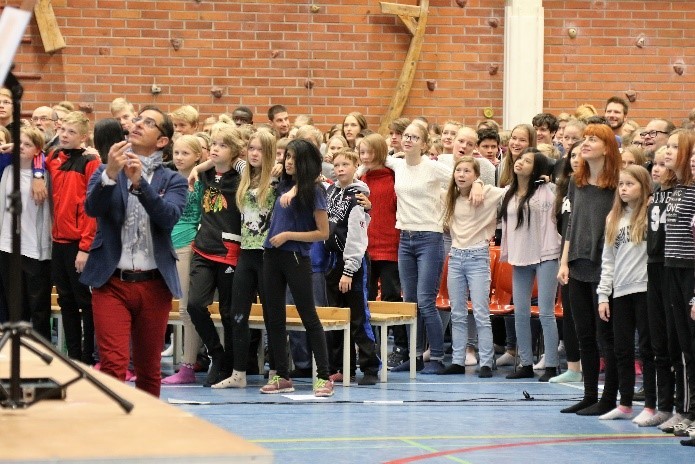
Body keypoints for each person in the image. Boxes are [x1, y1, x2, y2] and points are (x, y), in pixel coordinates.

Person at [80, 106, 187, 397]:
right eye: (137, 119)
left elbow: (167, 218)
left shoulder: (173, 180)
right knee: (113, 364)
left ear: (162, 141)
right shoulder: (105, 170)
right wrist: (110, 175)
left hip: (154, 285)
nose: (138, 124)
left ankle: (146, 424)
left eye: (149, 122)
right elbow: (92, 208)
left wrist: (140, 183)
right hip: (111, 281)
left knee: (149, 368)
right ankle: (113, 424)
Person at [260, 139, 333, 397]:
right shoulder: (283, 184)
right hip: (272, 255)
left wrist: (289, 235)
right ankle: (282, 375)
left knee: (308, 316)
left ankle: (323, 377)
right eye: (287, 156)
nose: (288, 161)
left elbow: (322, 233)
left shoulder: (315, 191)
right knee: (274, 317)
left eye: (293, 158)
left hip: (296, 257)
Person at [557, 123, 621, 416]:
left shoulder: (617, 184)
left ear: (607, 148)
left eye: (592, 139)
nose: (585, 143)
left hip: (604, 265)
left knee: (605, 336)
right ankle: (589, 395)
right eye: (585, 138)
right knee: (583, 334)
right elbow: (571, 223)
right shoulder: (576, 181)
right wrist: (564, 261)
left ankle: (608, 398)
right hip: (577, 263)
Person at [212, 129, 278, 389]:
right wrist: (197, 168)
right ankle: (238, 373)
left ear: (270, 153)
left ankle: (277, 371)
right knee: (237, 313)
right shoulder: (243, 173)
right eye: (251, 148)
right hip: (246, 253)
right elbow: (219, 160)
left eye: (260, 149)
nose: (254, 153)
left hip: (268, 255)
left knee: (272, 314)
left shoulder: (277, 179)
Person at [185, 125, 244, 387]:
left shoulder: (241, 176)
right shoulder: (205, 173)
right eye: (213, 144)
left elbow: (246, 165)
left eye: (222, 145)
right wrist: (200, 167)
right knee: (194, 304)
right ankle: (216, 353)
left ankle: (229, 364)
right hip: (203, 248)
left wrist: (229, 158)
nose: (215, 149)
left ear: (235, 151)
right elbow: (206, 164)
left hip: (229, 251)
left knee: (228, 312)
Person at [596, 165, 655, 421]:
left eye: (630, 184)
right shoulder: (613, 218)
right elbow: (608, 260)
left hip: (645, 290)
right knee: (622, 350)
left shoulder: (650, 215)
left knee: (647, 349)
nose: (623, 189)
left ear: (644, 187)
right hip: (620, 292)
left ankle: (651, 405)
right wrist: (603, 295)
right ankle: (625, 403)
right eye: (621, 184)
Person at [500, 148, 561, 382]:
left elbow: (560, 167)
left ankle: (551, 365)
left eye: (527, 161)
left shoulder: (548, 191)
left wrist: (548, 176)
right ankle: (525, 363)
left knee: (546, 312)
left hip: (546, 255)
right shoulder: (509, 192)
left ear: (537, 169)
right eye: (520, 159)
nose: (520, 163)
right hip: (520, 255)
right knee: (521, 312)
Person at [46, 111, 100, 365]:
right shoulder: (54, 157)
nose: (65, 136)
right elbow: (35, 158)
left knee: (85, 302)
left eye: (71, 132)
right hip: (58, 242)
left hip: (79, 244)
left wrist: (85, 247)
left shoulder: (90, 161)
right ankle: (73, 356)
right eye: (62, 130)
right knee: (65, 300)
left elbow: (92, 208)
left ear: (83, 137)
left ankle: (88, 356)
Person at [323, 148, 380, 385]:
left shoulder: (358, 196)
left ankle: (370, 367)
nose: (340, 169)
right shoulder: (330, 191)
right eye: (336, 165)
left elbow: (357, 236)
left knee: (358, 318)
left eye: (345, 164)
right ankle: (342, 367)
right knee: (337, 317)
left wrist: (349, 270)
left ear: (356, 166)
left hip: (353, 262)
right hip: (332, 260)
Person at [440, 156, 501, 378]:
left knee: (481, 313)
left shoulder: (488, 193)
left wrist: (480, 184)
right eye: (459, 170)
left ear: (476, 176)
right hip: (456, 257)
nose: (462, 175)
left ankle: (486, 362)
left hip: (478, 257)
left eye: (467, 171)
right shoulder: (449, 197)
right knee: (457, 313)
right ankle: (457, 360)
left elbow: (510, 191)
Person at [643, 147, 684, 427]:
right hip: (654, 265)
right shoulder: (655, 195)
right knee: (658, 340)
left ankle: (682, 407)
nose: (656, 169)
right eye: (654, 164)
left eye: (662, 164)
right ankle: (664, 405)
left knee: (674, 343)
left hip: (672, 266)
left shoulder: (679, 194)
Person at [358, 134, 406, 369]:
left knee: (391, 298)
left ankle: (400, 348)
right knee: (365, 299)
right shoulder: (361, 179)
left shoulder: (394, 178)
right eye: (362, 152)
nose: (365, 157)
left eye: (369, 152)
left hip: (390, 247)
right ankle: (370, 349)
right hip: (366, 249)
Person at [160, 135, 205, 385]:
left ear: (198, 156)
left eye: (185, 153)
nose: (179, 157)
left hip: (187, 244)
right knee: (156, 307)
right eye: (176, 152)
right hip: (163, 245)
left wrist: (200, 167)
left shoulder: (201, 181)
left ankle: (188, 366)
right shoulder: (167, 178)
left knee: (186, 309)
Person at [0, 126, 52, 340]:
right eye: (19, 142)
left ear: (38, 151)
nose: (21, 147)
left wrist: (38, 173)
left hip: (34, 249)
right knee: (13, 308)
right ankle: (16, 352)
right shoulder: (7, 171)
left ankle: (41, 354)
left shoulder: (45, 174)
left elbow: (52, 155)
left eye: (27, 144)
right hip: (7, 246)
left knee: (38, 309)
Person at [661, 129, 695, 436]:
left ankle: (690, 412)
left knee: (690, 345)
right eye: (667, 145)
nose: (668, 151)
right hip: (672, 268)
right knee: (680, 345)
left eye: (676, 147)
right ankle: (684, 409)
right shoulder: (677, 189)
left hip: (689, 271)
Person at [548, 141, 583, 383]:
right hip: (567, 255)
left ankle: (591, 366)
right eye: (573, 155)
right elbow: (565, 226)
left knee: (587, 316)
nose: (576, 159)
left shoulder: (595, 188)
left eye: (581, 155)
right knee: (570, 314)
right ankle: (573, 368)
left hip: (589, 257)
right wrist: (563, 260)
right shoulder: (566, 186)